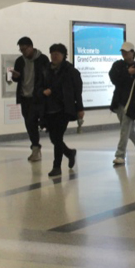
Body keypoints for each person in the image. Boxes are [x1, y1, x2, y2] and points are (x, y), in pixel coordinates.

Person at [38, 43, 84, 177]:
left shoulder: (71, 71)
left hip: (64, 109)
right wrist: (42, 91)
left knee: (57, 137)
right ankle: (70, 153)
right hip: (48, 109)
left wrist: (80, 108)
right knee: (54, 139)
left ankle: (56, 166)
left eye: (57, 54)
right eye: (52, 54)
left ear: (64, 56)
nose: (54, 56)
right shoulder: (46, 70)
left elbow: (78, 91)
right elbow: (39, 86)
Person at [10, 37, 50, 162]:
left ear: (31, 47)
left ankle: (39, 147)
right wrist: (16, 77)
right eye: (21, 50)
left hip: (38, 97)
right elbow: (17, 79)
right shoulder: (19, 61)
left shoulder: (43, 59)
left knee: (41, 122)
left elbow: (47, 77)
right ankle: (35, 148)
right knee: (29, 123)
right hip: (25, 98)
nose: (23, 52)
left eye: (24, 49)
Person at [109, 41, 135, 165]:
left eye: (127, 52)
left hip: (132, 104)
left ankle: (120, 155)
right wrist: (127, 73)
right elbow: (114, 79)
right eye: (123, 52)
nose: (124, 54)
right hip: (119, 103)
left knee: (125, 129)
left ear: (132, 52)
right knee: (128, 131)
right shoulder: (118, 65)